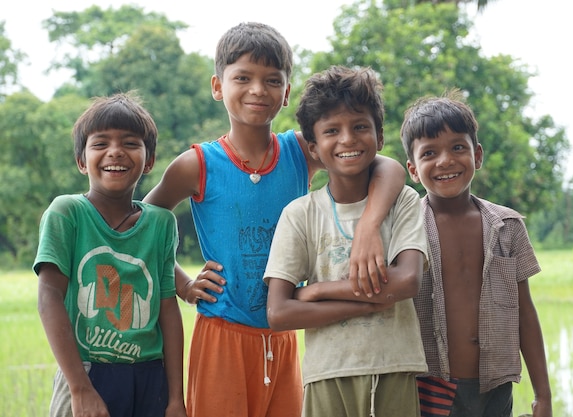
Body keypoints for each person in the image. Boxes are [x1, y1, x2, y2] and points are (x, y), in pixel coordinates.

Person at [142, 22, 406, 417]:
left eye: (272, 80)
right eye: (242, 78)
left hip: (283, 335)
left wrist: (369, 224)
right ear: (218, 86)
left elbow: (386, 166)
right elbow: (145, 222)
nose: (257, 90)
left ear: (286, 93)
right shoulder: (197, 164)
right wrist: (182, 283)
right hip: (221, 334)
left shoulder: (300, 150)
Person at [263, 65, 429, 417]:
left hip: (394, 366)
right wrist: (370, 302)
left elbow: (406, 281)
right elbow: (279, 312)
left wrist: (319, 291)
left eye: (359, 127)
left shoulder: (403, 201)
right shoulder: (300, 214)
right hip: (327, 372)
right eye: (332, 131)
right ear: (314, 148)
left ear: (379, 137)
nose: (348, 139)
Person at [400, 90, 552, 417]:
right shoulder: (405, 229)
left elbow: (525, 312)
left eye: (458, 147)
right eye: (429, 153)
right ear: (412, 169)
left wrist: (543, 395)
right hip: (428, 386)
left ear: (477, 155)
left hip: (494, 387)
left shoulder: (507, 226)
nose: (446, 161)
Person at [34, 92, 186, 417]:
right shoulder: (67, 213)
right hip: (86, 371)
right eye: (100, 143)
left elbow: (168, 310)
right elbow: (49, 297)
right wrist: (79, 388)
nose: (115, 151)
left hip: (150, 376)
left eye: (130, 142)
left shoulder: (161, 223)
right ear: (81, 160)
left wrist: (176, 398)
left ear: (149, 160)